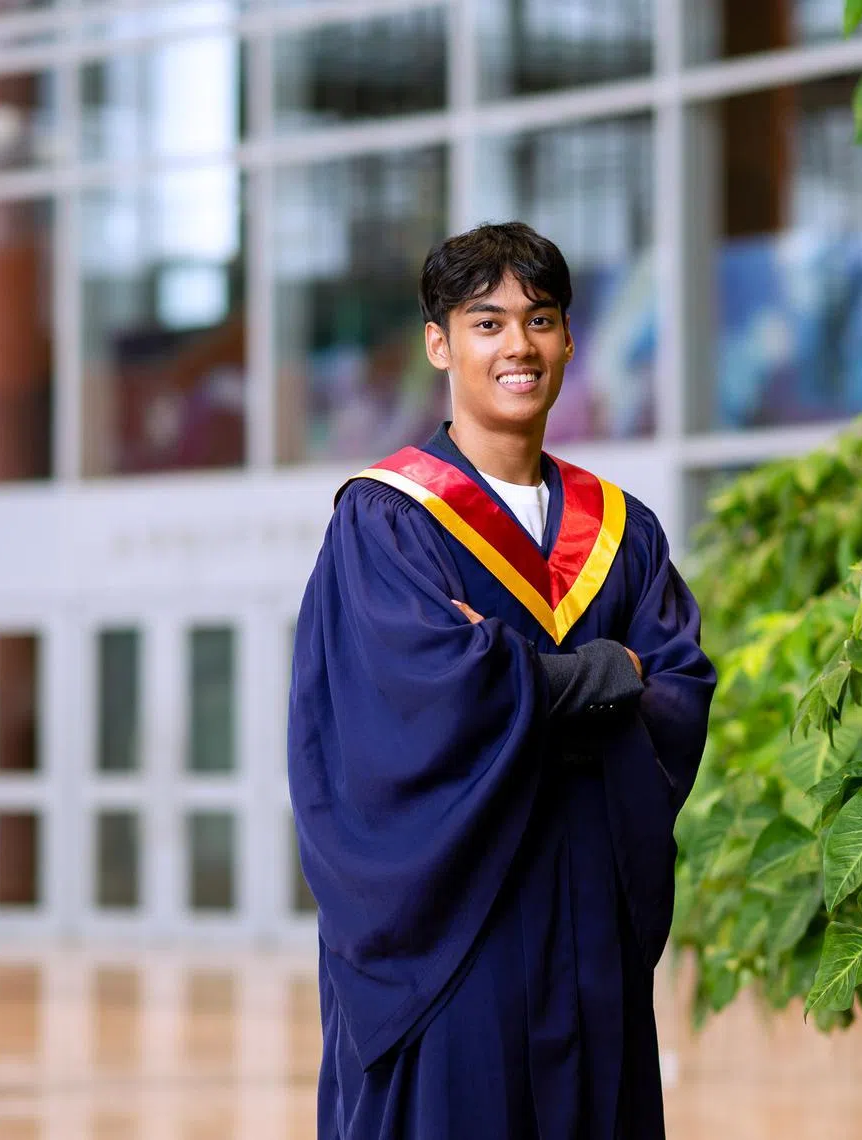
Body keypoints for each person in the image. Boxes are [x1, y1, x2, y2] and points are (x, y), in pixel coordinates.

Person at [288, 221, 716, 1139]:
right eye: (486, 322)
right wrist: (606, 674)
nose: (518, 344)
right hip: (453, 928)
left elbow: (680, 683)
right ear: (440, 344)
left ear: (566, 340)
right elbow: (434, 691)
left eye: (541, 318)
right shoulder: (387, 521)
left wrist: (522, 675)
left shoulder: (622, 529)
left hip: (588, 923)